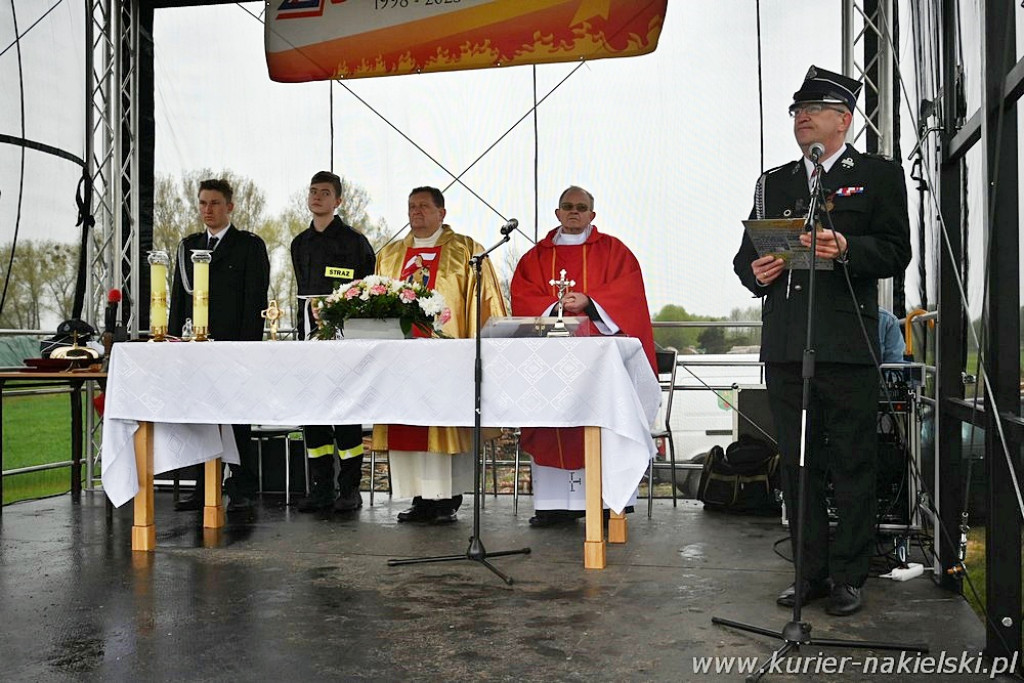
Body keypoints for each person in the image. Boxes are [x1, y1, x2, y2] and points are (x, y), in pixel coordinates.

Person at [733, 66, 912, 616]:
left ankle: (849, 576)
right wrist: (756, 272)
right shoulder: (776, 182)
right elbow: (744, 258)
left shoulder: (877, 176)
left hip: (845, 342)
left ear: (844, 120)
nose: (801, 117)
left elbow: (895, 251)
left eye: (812, 110)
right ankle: (808, 573)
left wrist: (847, 246)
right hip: (788, 343)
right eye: (795, 111)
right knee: (800, 464)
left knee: (853, 461)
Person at [510, 185, 657, 527]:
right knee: (552, 424)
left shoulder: (615, 252)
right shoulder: (535, 258)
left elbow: (630, 295)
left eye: (581, 207)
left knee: (606, 416)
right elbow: (522, 296)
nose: (574, 212)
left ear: (593, 214)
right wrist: (557, 305)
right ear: (557, 213)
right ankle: (553, 505)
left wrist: (591, 302)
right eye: (567, 206)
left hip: (601, 366)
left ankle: (610, 502)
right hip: (550, 366)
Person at [372, 186, 507, 523]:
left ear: (441, 213)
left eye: (423, 206)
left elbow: (484, 300)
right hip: (401, 361)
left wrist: (481, 349)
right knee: (409, 424)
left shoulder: (466, 250)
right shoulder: (389, 255)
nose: (415, 212)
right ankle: (420, 498)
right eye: (411, 206)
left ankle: (446, 499)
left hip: (448, 358)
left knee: (443, 425)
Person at [168, 178, 271, 512]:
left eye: (214, 203)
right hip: (195, 348)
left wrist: (246, 349)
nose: (207, 210)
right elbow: (178, 303)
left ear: (230, 206)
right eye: (202, 203)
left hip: (233, 348)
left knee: (236, 418)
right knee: (200, 418)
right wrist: (173, 342)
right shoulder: (189, 246)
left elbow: (255, 299)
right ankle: (203, 486)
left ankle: (242, 484)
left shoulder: (248, 246)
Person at [290, 171, 376, 513]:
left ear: (338, 200)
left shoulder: (355, 242)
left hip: (345, 341)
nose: (317, 198)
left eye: (324, 193)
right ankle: (320, 487)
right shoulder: (300, 243)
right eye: (312, 192)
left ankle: (349, 489)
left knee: (345, 414)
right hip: (309, 342)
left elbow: (366, 290)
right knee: (314, 414)